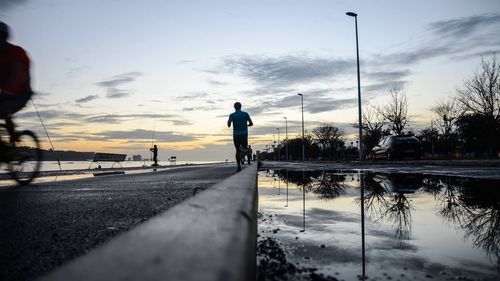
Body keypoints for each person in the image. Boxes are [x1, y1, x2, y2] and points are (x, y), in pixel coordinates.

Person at [0, 21, 32, 159]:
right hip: (6, 93)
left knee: (3, 110)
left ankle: (12, 148)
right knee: (4, 113)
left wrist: (8, 90)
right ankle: (7, 147)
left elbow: (17, 74)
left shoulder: (16, 53)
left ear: (4, 37)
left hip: (20, 93)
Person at [227, 102, 253, 172]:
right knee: (245, 148)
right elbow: (251, 123)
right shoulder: (245, 114)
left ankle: (239, 166)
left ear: (234, 107)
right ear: (241, 107)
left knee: (237, 150)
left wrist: (230, 123)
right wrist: (247, 125)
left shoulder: (232, 115)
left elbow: (228, 124)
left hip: (236, 135)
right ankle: (247, 155)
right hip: (244, 134)